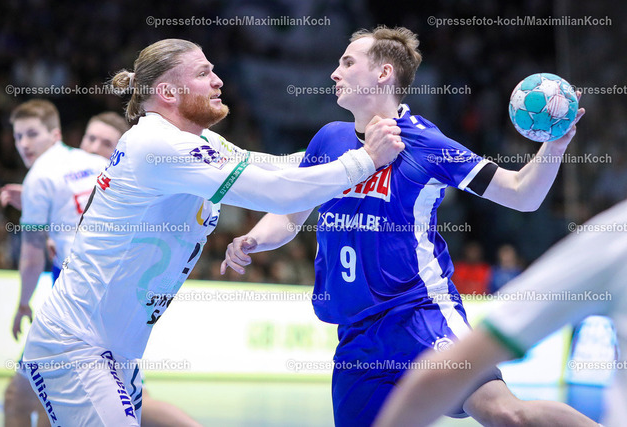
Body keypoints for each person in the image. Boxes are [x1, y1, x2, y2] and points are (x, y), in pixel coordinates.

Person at [20, 38, 403, 426]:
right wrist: (366, 159)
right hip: (75, 345)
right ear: (168, 92)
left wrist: (352, 142)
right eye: (203, 73)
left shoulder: (199, 141)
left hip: (116, 352)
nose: (218, 81)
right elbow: (278, 192)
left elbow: (275, 167)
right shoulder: (157, 144)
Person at [221, 27, 592, 426]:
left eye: (348, 62)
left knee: (505, 413)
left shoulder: (426, 144)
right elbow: (291, 213)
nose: (334, 72)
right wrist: (255, 238)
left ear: (383, 73)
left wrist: (555, 146)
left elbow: (521, 193)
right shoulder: (329, 140)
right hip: (357, 336)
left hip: (419, 315)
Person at [3, 108, 202, 427]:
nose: (95, 148)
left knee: (25, 396)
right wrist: (34, 201)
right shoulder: (101, 170)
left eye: (106, 143)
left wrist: (23, 303)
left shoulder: (54, 174)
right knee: (49, 401)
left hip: (86, 304)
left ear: (55, 135)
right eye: (90, 138)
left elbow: (33, 253)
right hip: (109, 298)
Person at [374, 199, 626, 427]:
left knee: (506, 413)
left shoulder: (616, 237)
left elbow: (524, 192)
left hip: (424, 318)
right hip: (368, 336)